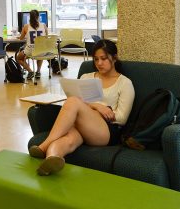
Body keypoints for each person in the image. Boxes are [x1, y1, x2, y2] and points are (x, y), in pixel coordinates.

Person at [28, 40, 135, 176]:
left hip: (106, 130)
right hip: (82, 124)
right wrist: (96, 106)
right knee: (69, 140)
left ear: (114, 58)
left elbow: (122, 118)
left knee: (73, 101)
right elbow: (72, 108)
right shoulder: (86, 77)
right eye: (96, 59)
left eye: (103, 59)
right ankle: (52, 158)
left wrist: (98, 110)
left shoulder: (125, 83)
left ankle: (44, 145)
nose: (99, 63)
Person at [16, 10, 49, 80]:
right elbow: (46, 37)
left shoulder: (26, 26)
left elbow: (21, 38)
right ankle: (38, 72)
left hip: (30, 51)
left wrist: (23, 36)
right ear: (38, 17)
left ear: (30, 17)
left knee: (18, 58)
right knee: (39, 53)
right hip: (41, 50)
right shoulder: (44, 25)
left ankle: (30, 71)